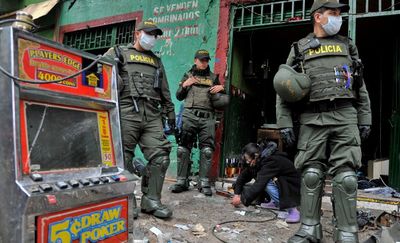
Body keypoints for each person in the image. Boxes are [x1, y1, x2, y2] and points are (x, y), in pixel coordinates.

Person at [275, 0, 372, 242]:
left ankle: (347, 232)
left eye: (339, 13)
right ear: (318, 17)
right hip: (312, 117)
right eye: (333, 13)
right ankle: (309, 229)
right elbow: (284, 87)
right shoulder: (300, 48)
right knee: (310, 174)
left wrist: (365, 117)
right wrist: (284, 123)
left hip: (345, 115)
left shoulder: (348, 46)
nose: (338, 18)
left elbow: (360, 85)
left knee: (347, 177)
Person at [104, 20, 175, 219]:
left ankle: (151, 200)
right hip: (127, 109)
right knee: (123, 158)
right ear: (137, 34)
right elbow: (99, 73)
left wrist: (170, 115)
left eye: (155, 35)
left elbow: (165, 90)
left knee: (161, 156)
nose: (152, 38)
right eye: (149, 33)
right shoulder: (118, 52)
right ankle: (126, 201)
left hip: (152, 113)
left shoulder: (156, 61)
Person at [169, 49, 225, 196]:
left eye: (206, 60)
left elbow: (221, 101)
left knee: (207, 150)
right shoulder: (188, 75)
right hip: (190, 116)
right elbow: (179, 96)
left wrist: (222, 88)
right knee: (183, 149)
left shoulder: (213, 77)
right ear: (195, 60)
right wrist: (185, 85)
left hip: (208, 117)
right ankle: (182, 180)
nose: (204, 63)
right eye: (202, 60)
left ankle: (204, 181)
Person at [231, 142, 301, 223]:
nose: (247, 162)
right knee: (262, 177)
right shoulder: (259, 160)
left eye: (248, 159)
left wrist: (242, 199)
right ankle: (275, 202)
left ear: (256, 156)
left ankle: (292, 210)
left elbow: (259, 184)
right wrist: (237, 194)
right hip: (283, 186)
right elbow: (243, 176)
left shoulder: (271, 161)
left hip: (292, 188)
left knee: (265, 182)